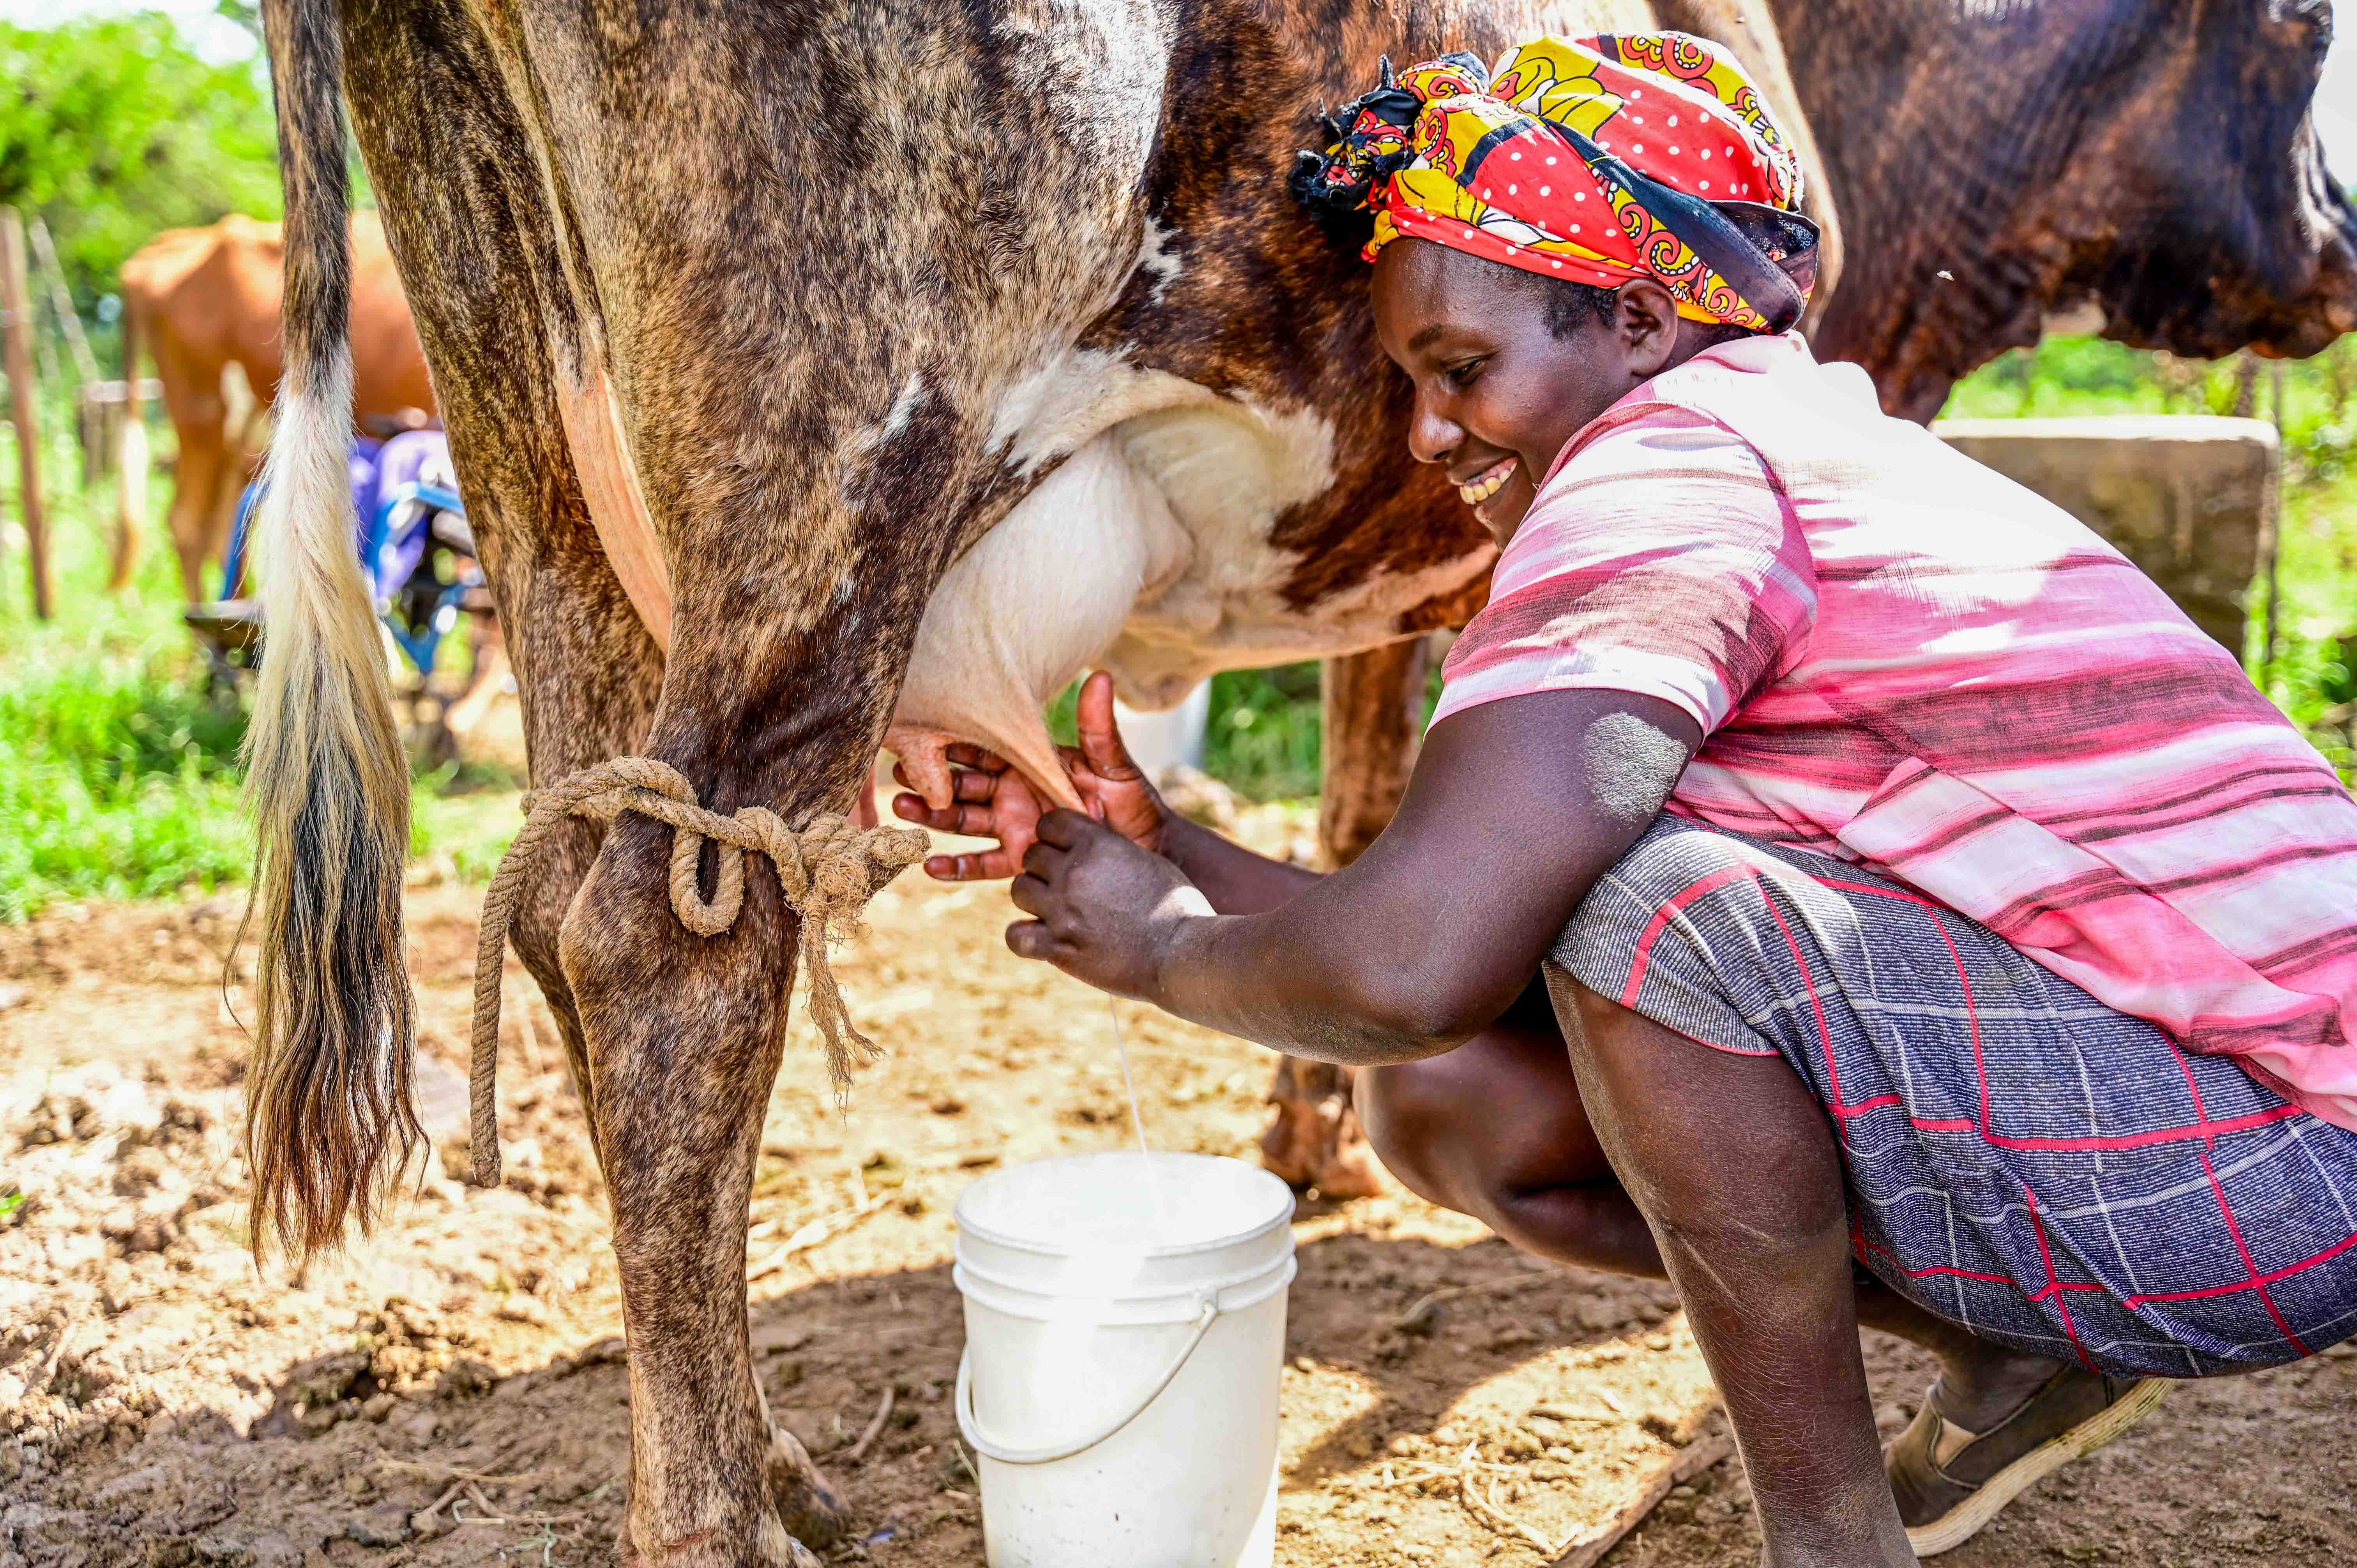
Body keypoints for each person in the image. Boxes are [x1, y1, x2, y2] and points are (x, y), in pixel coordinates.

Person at [894, 32, 2357, 1567]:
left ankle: (1833, 1545)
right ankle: (2017, 1354)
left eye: (1461, 370)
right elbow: (1438, 957)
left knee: (1657, 917)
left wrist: (1160, 948)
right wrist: (1165, 853)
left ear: (1642, 321)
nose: (1429, 435)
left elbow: (1412, 965)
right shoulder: (1767, 444)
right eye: (1410, 384)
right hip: (2214, 1098)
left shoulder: (1671, 474)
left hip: (2284, 1152)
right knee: (1463, 1098)